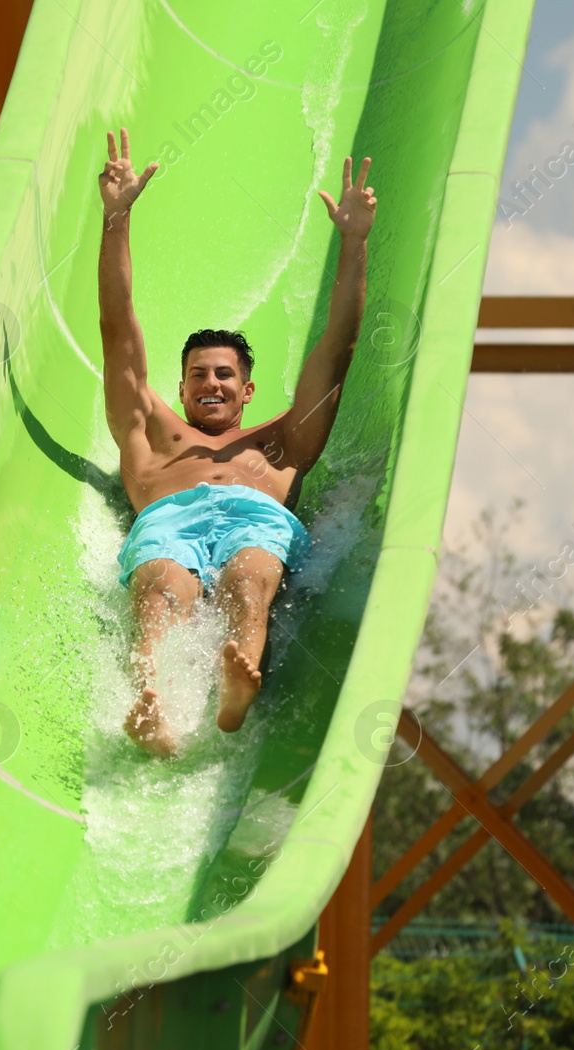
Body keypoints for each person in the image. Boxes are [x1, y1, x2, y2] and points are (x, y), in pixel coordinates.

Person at [97, 127, 376, 758]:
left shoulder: (282, 440)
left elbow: (338, 349)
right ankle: (155, 707)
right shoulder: (153, 432)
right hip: (168, 524)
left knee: (248, 580)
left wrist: (354, 243)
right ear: (182, 385)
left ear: (247, 390)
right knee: (162, 587)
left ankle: (235, 694)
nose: (212, 383)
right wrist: (117, 219)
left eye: (225, 374)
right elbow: (118, 331)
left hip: (256, 524)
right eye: (199, 374)